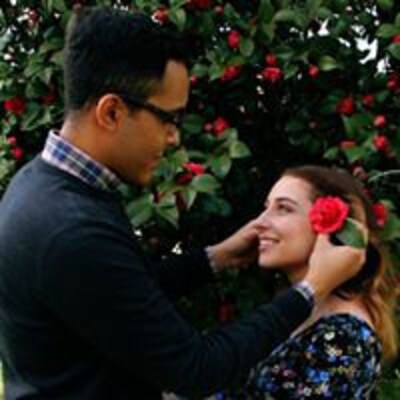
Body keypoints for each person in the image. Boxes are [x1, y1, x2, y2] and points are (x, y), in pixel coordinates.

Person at [0, 8, 365, 400]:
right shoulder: (72, 226)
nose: (174, 137)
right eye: (168, 118)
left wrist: (216, 257)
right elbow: (195, 369)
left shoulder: (38, 187)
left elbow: (118, 294)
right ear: (112, 112)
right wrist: (312, 288)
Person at [228, 165, 398, 399]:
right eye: (266, 207)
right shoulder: (302, 312)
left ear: (335, 227)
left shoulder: (343, 338)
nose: (259, 222)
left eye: (283, 208)